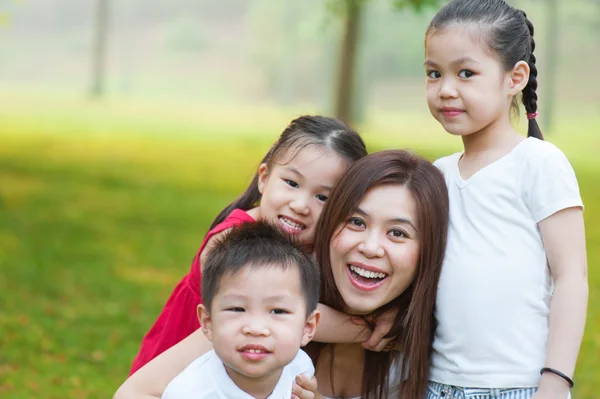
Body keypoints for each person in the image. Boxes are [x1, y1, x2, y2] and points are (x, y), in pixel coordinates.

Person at [114, 149, 450, 399]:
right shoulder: (259, 319)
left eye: (398, 233)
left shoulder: (431, 351)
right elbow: (134, 394)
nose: (371, 247)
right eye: (356, 223)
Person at [423, 1, 588, 398]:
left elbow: (571, 278)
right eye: (434, 73)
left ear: (515, 77)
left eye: (466, 73)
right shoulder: (437, 175)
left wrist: (555, 379)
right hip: (438, 384)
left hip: (520, 386)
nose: (446, 89)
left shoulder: (537, 163)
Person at [129, 115, 368, 374]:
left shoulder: (321, 244)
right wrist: (366, 331)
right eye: (291, 183)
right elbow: (285, 312)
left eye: (323, 197)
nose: (300, 205)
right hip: (186, 367)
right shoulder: (231, 241)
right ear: (264, 178)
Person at [162, 221, 321, 399]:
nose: (256, 328)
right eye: (237, 309)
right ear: (208, 323)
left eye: (278, 311)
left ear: (308, 327)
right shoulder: (188, 393)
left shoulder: (299, 370)